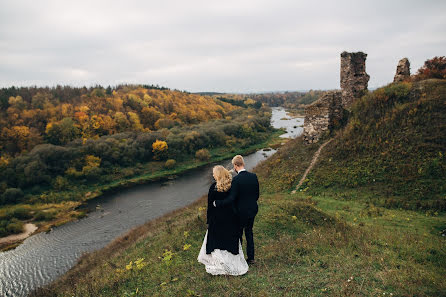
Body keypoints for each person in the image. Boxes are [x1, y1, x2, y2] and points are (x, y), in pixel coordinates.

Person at [197, 165, 249, 275]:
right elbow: (235, 201)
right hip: (231, 219)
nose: (213, 175)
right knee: (229, 240)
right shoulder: (232, 185)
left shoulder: (213, 187)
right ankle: (231, 265)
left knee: (217, 242)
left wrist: (209, 220)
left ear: (218, 175)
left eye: (214, 173)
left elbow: (210, 206)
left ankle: (221, 264)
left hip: (217, 220)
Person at [213, 155, 259, 264]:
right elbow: (256, 195)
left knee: (238, 235)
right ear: (243, 163)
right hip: (252, 210)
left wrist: (218, 203)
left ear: (235, 165)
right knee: (249, 233)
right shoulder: (254, 176)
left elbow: (231, 198)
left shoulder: (236, 180)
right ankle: (251, 258)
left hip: (240, 212)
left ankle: (239, 258)